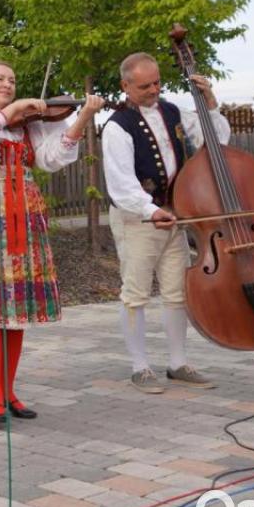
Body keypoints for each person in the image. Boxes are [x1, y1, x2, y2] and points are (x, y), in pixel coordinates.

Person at [0, 61, 103, 422]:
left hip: (24, 214)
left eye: (13, 80)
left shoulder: (29, 127)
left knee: (15, 307)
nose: (8, 84)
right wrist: (10, 113)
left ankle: (8, 391)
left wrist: (81, 119)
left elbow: (51, 159)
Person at [102, 52, 230, 393]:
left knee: (176, 291)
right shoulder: (116, 127)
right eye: (144, 86)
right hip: (137, 220)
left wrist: (211, 103)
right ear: (125, 86)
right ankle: (140, 367)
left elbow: (215, 142)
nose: (153, 90)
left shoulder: (173, 111)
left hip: (176, 216)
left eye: (157, 82)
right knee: (136, 294)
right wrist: (150, 210)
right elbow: (121, 184)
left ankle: (177, 363)